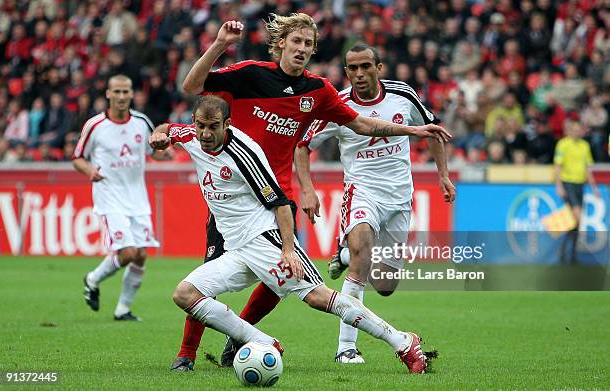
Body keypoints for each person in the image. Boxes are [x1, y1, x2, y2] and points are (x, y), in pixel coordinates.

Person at [174, 13, 451, 371]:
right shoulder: (251, 74)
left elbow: (363, 123)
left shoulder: (317, 90)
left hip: (276, 206)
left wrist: (413, 132)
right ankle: (187, 355)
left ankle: (244, 338)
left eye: (308, 44)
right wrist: (220, 44)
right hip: (235, 203)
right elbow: (191, 88)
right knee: (209, 281)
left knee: (290, 286)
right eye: (296, 42)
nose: (302, 49)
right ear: (281, 44)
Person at [150, 95, 430, 374]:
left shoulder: (243, 155)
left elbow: (280, 204)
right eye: (200, 126)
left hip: (265, 239)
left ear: (227, 124)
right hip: (237, 248)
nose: (206, 134)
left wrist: (288, 250)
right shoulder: (191, 137)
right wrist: (158, 137)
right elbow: (166, 129)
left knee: (318, 297)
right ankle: (263, 342)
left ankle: (403, 341)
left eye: (213, 127)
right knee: (186, 294)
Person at [295, 43, 456, 364]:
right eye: (352, 68)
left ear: (378, 68)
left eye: (366, 66)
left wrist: (443, 176)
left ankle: (343, 253)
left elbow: (433, 132)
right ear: (346, 72)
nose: (359, 74)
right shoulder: (336, 105)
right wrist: (308, 189)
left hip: (399, 197)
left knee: (384, 285)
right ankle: (346, 348)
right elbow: (302, 145)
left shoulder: (403, 96)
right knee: (361, 255)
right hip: (361, 192)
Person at [73, 74, 173, 321]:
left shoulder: (141, 122)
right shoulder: (95, 125)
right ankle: (93, 279)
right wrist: (91, 172)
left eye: (125, 92)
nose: (121, 97)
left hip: (138, 199)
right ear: (108, 94)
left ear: (131, 94)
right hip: (110, 197)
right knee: (128, 252)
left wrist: (167, 153)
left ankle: (123, 309)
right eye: (116, 92)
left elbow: (154, 152)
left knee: (140, 254)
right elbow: (77, 157)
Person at [554, 120, 600, 263]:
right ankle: (572, 249)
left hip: (580, 185)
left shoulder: (584, 146)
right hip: (568, 184)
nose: (576, 132)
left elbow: (587, 169)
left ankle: (568, 253)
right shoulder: (563, 144)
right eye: (573, 129)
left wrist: (594, 188)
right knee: (578, 216)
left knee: (575, 224)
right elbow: (558, 166)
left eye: (578, 129)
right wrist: (559, 185)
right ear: (569, 130)